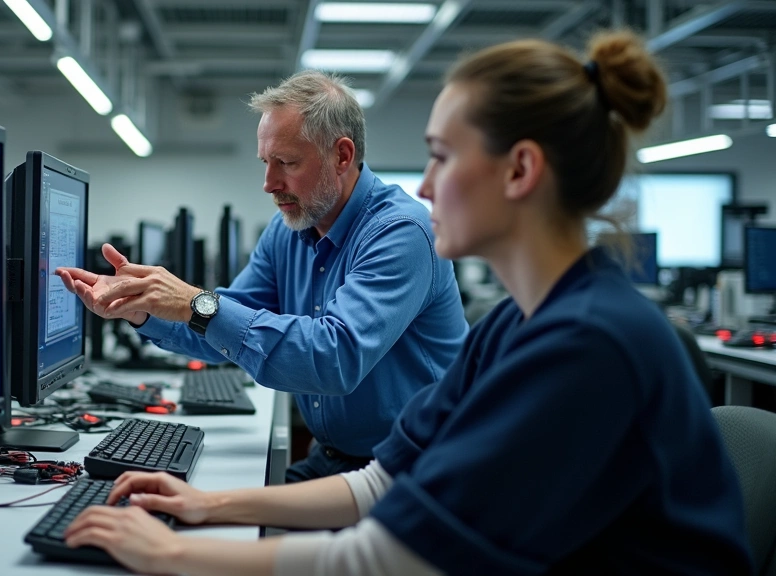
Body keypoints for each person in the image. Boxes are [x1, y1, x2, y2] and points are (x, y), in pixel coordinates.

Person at [59, 31, 753, 575]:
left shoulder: (589, 343)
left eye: (441, 157)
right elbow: (384, 485)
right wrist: (205, 504)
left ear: (519, 171)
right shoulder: (520, 319)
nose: (422, 188)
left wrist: (171, 552)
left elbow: (393, 559)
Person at [58, 70, 469, 481]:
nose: (269, 183)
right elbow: (219, 326)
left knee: (210, 525)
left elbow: (332, 359)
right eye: (265, 162)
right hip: (337, 460)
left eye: (286, 162)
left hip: (420, 472)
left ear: (342, 156)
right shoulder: (288, 230)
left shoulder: (401, 233)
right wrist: (142, 307)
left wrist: (193, 303)